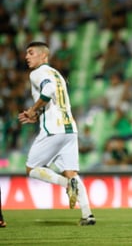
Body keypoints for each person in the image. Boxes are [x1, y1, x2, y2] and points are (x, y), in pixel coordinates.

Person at [17, 41, 95, 226]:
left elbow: (48, 91)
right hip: (70, 129)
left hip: (53, 129)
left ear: (44, 56)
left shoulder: (37, 73)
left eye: (31, 53)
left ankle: (67, 185)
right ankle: (87, 215)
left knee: (32, 169)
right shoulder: (56, 73)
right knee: (71, 172)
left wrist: (33, 110)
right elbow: (55, 98)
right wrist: (38, 112)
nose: (27, 56)